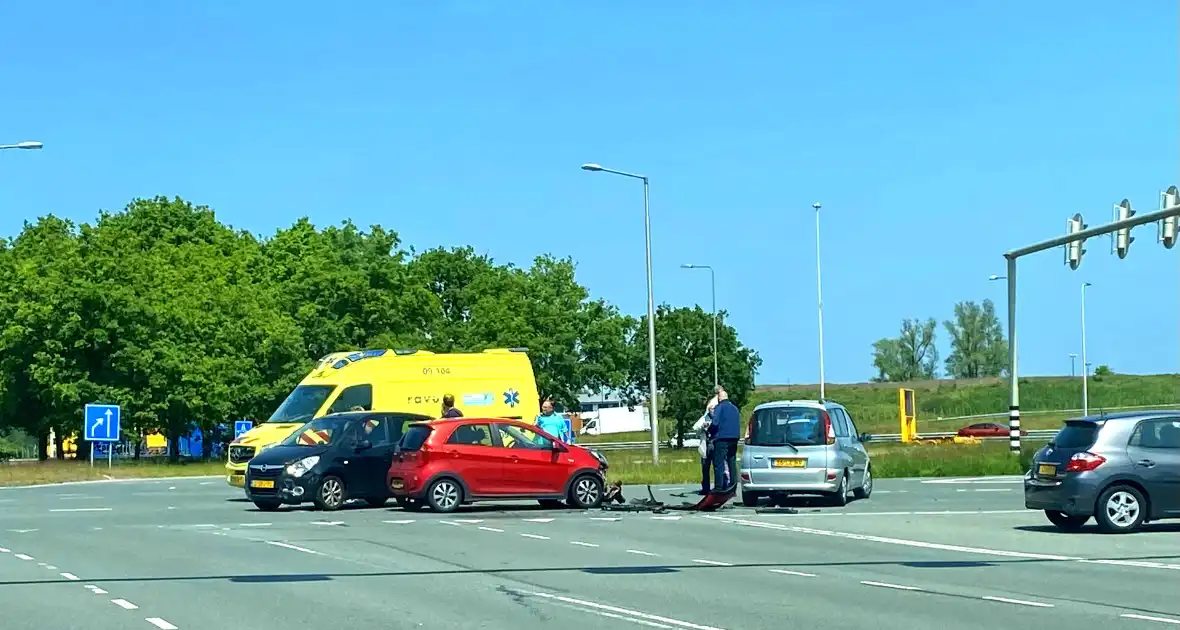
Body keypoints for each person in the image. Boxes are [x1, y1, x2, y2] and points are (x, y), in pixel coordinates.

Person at [707, 386, 740, 492]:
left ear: (719, 398)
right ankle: (733, 487)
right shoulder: (735, 408)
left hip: (722, 438)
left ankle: (719, 487)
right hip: (734, 438)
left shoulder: (719, 407)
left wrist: (710, 431)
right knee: (732, 462)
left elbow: (715, 423)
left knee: (719, 463)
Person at [692, 396, 718, 495]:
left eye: (714, 408)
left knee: (717, 467)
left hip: (715, 445)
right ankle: (705, 488)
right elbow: (695, 427)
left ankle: (718, 487)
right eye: (711, 409)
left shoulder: (718, 417)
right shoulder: (704, 418)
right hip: (705, 446)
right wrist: (703, 426)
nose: (713, 410)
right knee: (705, 468)